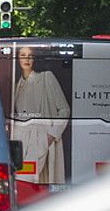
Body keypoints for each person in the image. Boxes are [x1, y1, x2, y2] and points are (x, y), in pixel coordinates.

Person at [9, 46, 70, 184]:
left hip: (39, 138)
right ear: (18, 59)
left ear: (34, 59)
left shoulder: (45, 78)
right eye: (23, 55)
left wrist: (50, 136)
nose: (27, 59)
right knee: (19, 182)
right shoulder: (16, 86)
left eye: (30, 55)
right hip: (19, 141)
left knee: (26, 179)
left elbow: (64, 109)